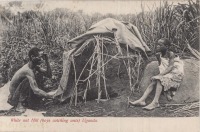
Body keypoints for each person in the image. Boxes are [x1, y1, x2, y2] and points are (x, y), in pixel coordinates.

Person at [129, 38, 184, 110]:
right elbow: (161, 66)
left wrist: (160, 75)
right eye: (157, 44)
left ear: (166, 46)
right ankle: (142, 100)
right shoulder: (159, 54)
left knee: (158, 79)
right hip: (168, 72)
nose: (157, 46)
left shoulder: (170, 54)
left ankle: (155, 102)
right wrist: (160, 72)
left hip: (175, 72)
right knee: (154, 80)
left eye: (160, 45)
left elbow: (170, 67)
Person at [7, 47, 54, 112]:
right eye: (40, 57)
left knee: (38, 76)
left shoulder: (34, 67)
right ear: (32, 57)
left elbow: (49, 75)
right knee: (27, 81)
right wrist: (51, 96)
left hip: (20, 93)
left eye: (42, 57)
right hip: (14, 98)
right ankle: (20, 104)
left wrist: (47, 61)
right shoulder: (27, 70)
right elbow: (36, 90)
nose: (42, 59)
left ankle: (31, 101)